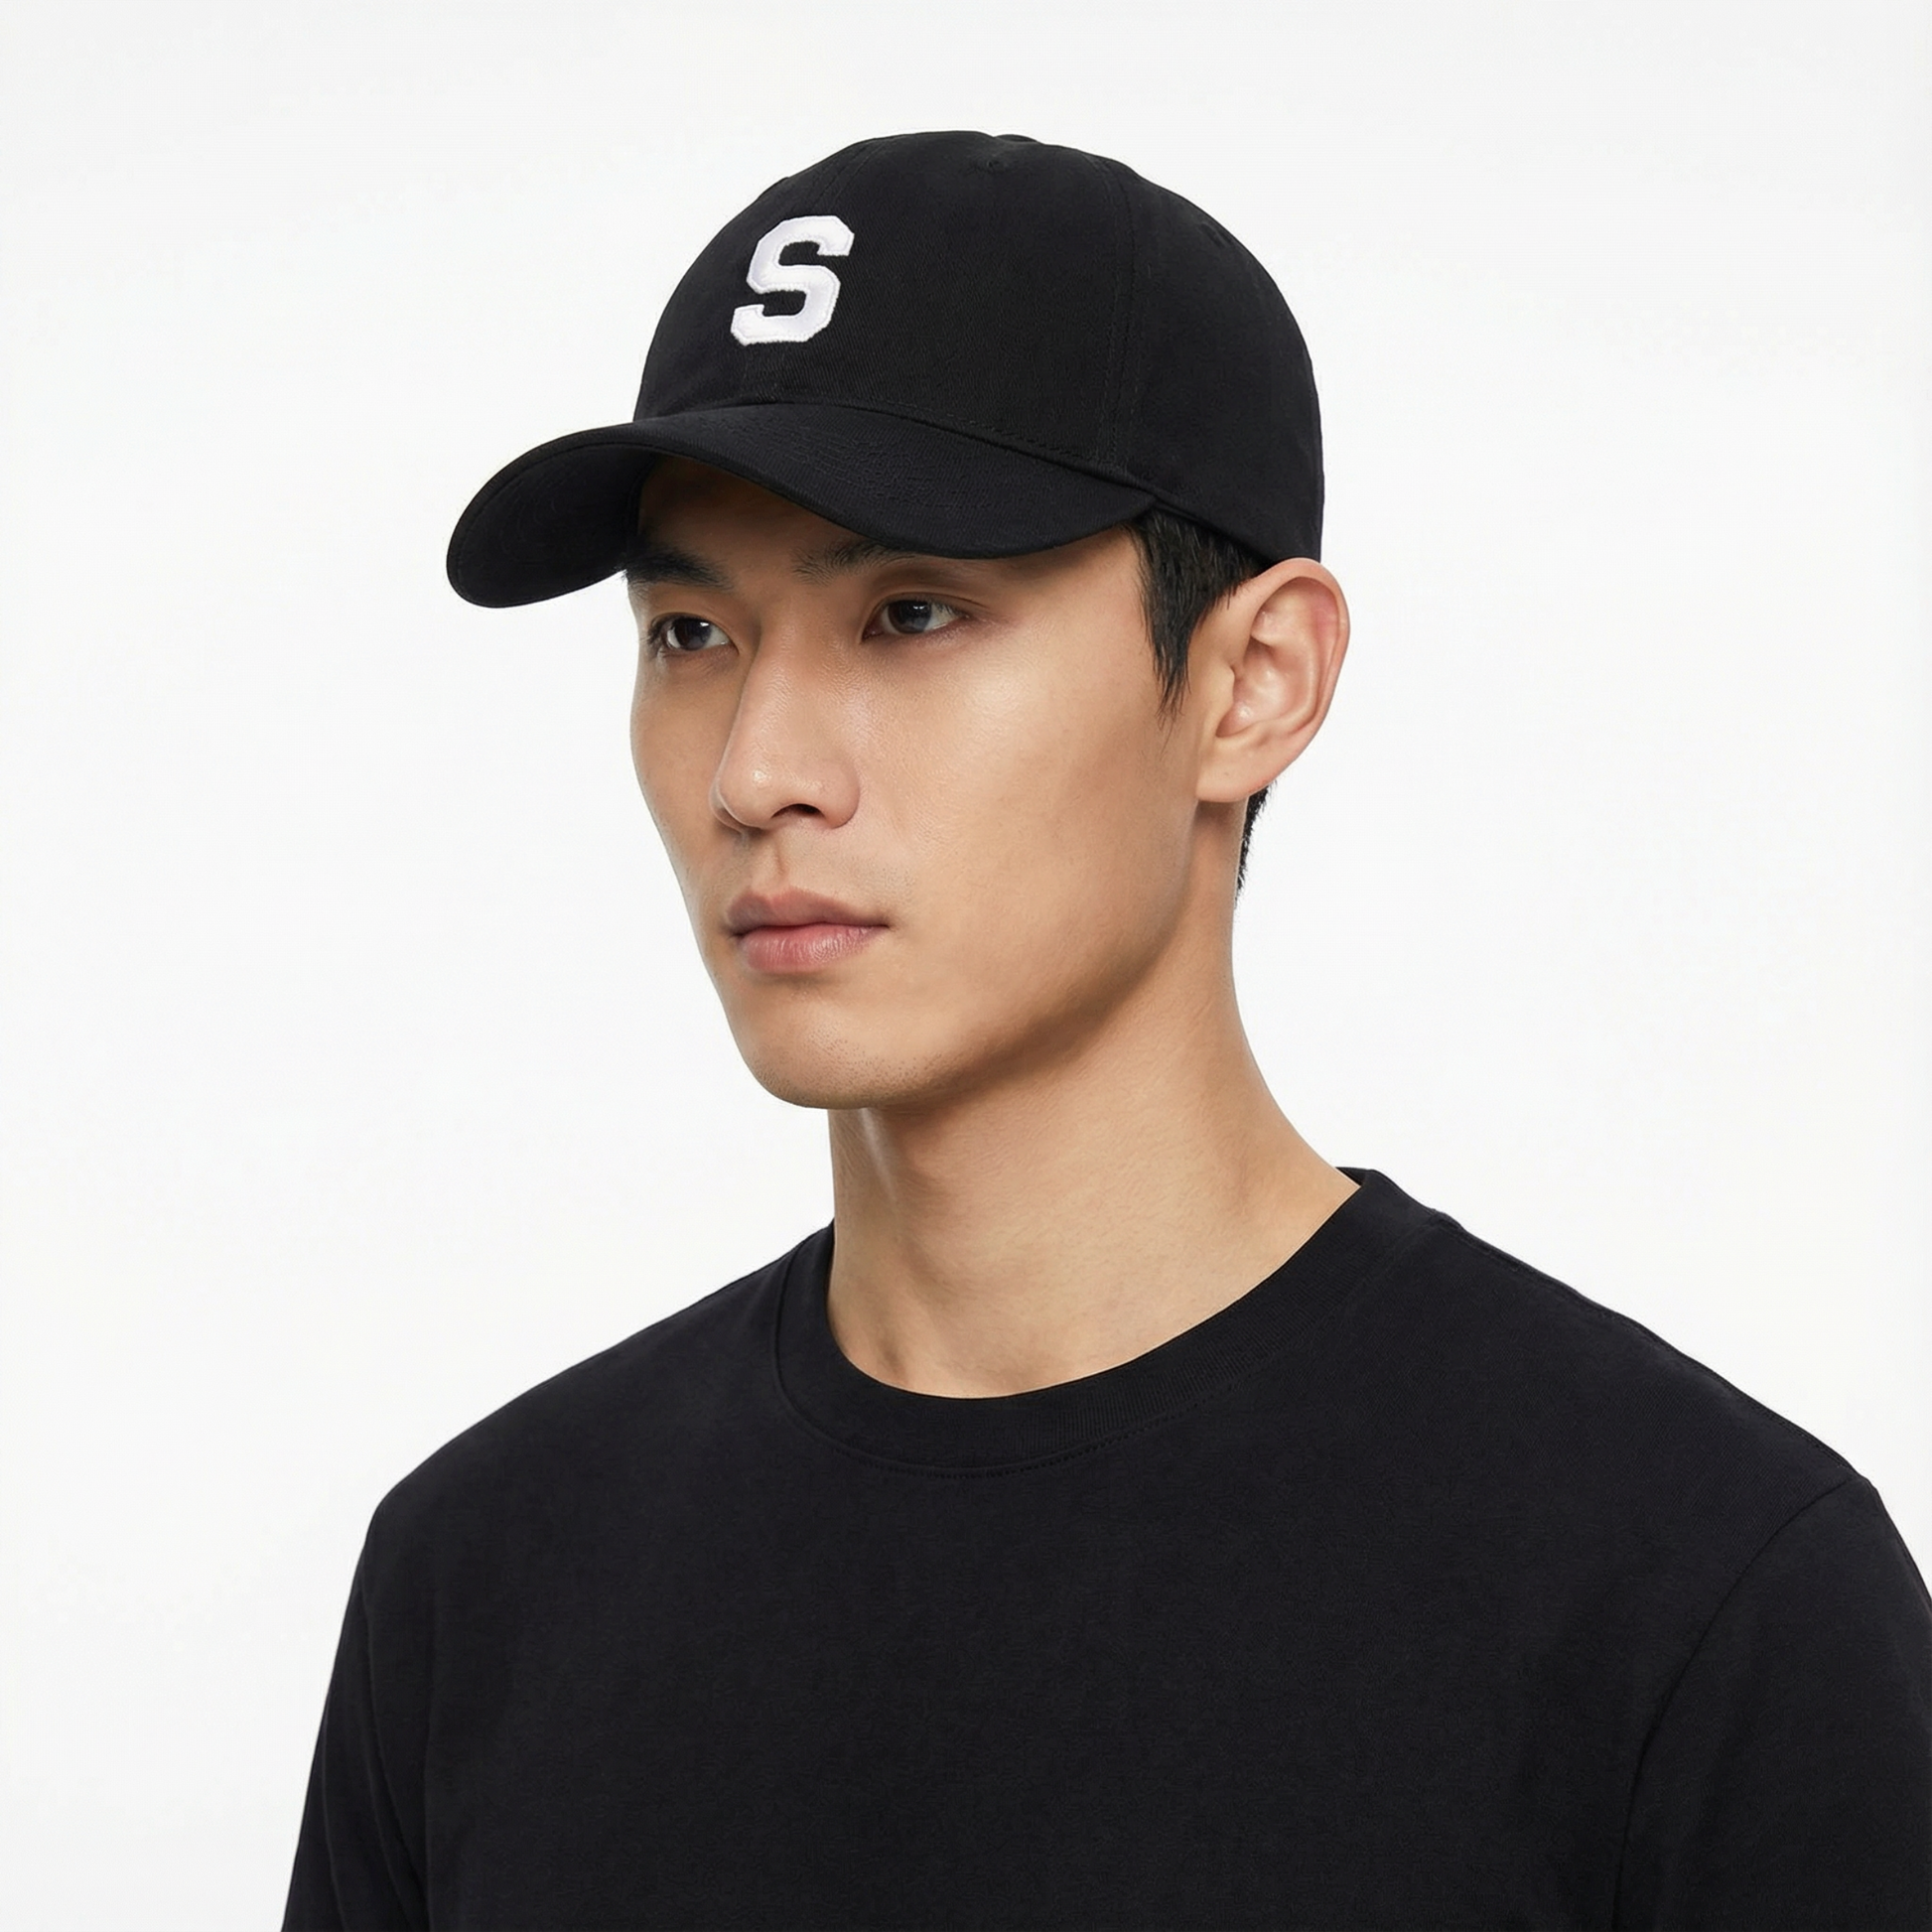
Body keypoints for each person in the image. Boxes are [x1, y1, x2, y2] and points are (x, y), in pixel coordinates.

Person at [282, 130, 1931, 1931]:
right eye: (690, 633)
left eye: (910, 613)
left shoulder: (1700, 1603)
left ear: (1251, 684)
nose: (756, 771)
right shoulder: (482, 1583)